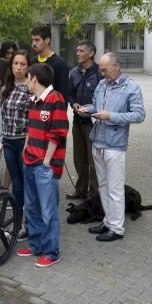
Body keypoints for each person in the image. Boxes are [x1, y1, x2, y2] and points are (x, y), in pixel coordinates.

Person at [76, 53, 145, 242]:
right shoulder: (102, 84)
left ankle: (117, 228)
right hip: (97, 141)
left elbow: (139, 115)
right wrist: (86, 109)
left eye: (104, 70)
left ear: (117, 66)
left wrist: (111, 116)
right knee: (104, 187)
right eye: (100, 69)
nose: (101, 73)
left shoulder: (131, 87)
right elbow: (97, 107)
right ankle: (108, 221)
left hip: (115, 145)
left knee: (115, 189)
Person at [17, 63, 69, 268]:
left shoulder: (55, 99)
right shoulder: (32, 100)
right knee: (31, 206)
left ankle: (51, 251)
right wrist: (27, 147)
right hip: (29, 160)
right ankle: (35, 245)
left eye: (28, 77)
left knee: (48, 211)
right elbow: (29, 127)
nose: (26, 81)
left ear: (35, 79)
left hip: (44, 165)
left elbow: (58, 133)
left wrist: (47, 161)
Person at [0, 50, 31, 240]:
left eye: (22, 64)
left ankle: (28, 224)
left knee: (26, 184)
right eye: (15, 64)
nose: (18, 68)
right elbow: (2, 117)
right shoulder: (7, 87)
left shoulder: (31, 87)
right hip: (8, 141)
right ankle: (17, 223)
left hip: (23, 142)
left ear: (28, 67)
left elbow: (33, 120)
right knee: (17, 185)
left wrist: (28, 143)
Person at [67, 40, 101, 201]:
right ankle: (80, 190)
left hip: (93, 123)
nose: (77, 53)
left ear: (91, 53)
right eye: (77, 50)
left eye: (81, 51)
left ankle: (93, 194)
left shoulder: (100, 72)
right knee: (79, 159)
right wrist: (73, 104)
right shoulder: (73, 72)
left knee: (93, 161)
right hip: (77, 122)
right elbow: (69, 93)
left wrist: (92, 108)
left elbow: (103, 97)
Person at [30, 24, 69, 104]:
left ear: (47, 40)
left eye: (37, 40)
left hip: (52, 111)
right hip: (33, 110)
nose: (33, 44)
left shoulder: (60, 64)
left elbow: (63, 96)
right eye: (32, 40)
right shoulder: (32, 62)